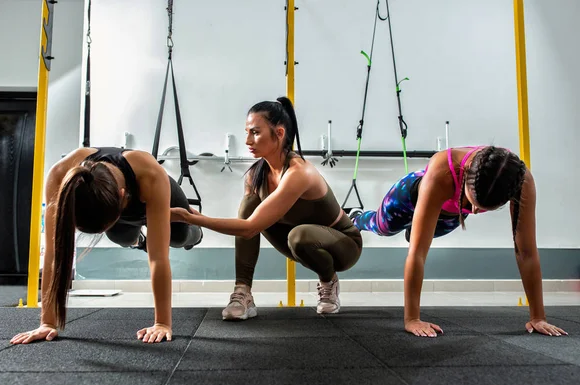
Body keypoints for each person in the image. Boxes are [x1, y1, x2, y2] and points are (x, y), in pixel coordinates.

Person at [170, 96, 363, 319]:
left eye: (255, 132)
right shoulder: (256, 175)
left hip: (344, 245)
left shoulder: (299, 173)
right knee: (250, 205)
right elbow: (248, 223)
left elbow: (249, 228)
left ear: (279, 133)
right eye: (247, 132)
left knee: (299, 235)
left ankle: (329, 282)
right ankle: (243, 292)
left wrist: (189, 217)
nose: (248, 140)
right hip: (296, 241)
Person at [348, 145, 568, 338]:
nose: (474, 210)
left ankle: (417, 227)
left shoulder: (522, 181)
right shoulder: (442, 169)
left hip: (450, 214)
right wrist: (412, 319)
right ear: (465, 178)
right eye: (473, 202)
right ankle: (356, 218)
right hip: (409, 196)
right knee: (383, 227)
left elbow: (526, 252)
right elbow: (417, 254)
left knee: (423, 233)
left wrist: (538, 317)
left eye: (482, 209)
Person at [10, 147, 203, 345]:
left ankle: (196, 231)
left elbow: (158, 258)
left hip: (157, 200)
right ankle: (140, 240)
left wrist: (162, 323)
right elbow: (54, 255)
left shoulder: (149, 174)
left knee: (179, 237)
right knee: (122, 238)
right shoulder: (60, 177)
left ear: (121, 195)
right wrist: (47, 323)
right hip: (116, 210)